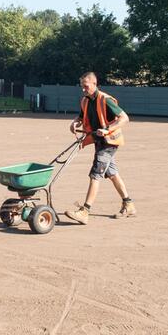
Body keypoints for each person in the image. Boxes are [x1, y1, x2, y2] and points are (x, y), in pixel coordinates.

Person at [64, 71, 136, 224]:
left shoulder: (105, 100)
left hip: (109, 142)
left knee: (95, 173)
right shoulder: (85, 100)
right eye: (82, 87)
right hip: (98, 141)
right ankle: (128, 204)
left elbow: (125, 118)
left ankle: (85, 211)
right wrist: (75, 122)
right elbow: (81, 116)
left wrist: (108, 129)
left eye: (86, 86)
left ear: (94, 84)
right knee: (112, 173)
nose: (83, 89)